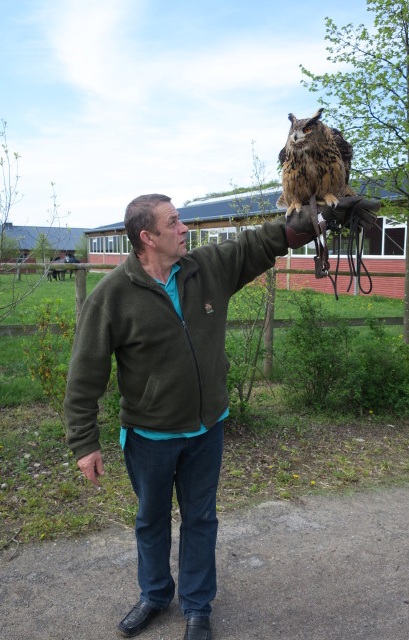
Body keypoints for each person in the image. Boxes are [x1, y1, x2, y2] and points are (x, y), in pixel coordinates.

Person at [64, 193, 379, 640]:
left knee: (201, 519)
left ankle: (197, 606)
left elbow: (257, 244)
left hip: (207, 428)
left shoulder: (205, 268)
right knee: (151, 521)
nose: (184, 230)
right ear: (147, 237)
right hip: (150, 437)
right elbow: (84, 376)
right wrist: (84, 443)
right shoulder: (111, 296)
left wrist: (310, 223)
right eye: (174, 223)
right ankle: (155, 595)